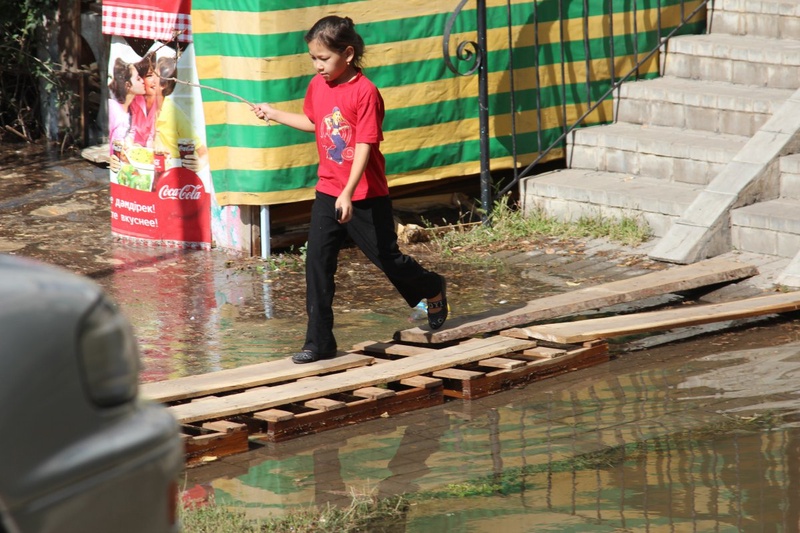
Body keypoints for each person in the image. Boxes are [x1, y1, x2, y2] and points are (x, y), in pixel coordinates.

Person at [253, 15, 448, 364]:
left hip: (365, 195)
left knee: (387, 258)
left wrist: (349, 192)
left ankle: (431, 287)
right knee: (317, 263)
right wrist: (274, 113)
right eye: (313, 58)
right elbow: (314, 124)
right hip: (328, 189)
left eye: (323, 59)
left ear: (347, 53)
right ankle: (320, 342)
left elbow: (365, 144)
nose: (317, 66)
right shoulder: (318, 87)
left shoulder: (365, 92)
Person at [154, 55, 208, 173]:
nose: (149, 80)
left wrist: (200, 163)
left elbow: (203, 152)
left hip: (175, 176)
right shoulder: (145, 109)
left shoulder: (175, 113)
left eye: (153, 75)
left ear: (163, 85)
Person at [108, 57, 145, 171]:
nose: (143, 81)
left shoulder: (133, 108)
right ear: (128, 85)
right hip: (114, 167)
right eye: (138, 79)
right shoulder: (112, 108)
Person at [129, 55, 159, 148]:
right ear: (141, 79)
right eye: (149, 76)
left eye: (157, 75)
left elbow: (154, 135)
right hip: (135, 148)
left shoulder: (162, 103)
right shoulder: (134, 100)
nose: (155, 81)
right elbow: (131, 130)